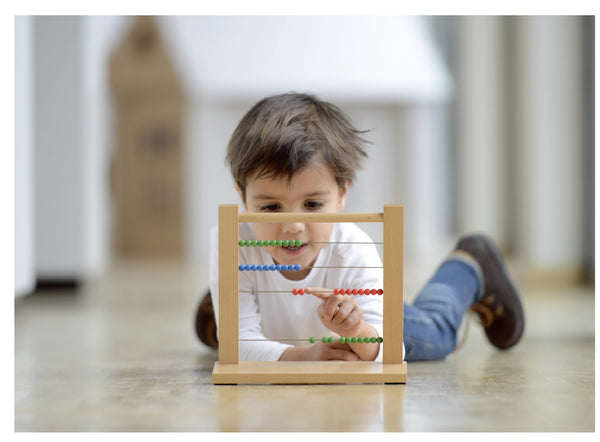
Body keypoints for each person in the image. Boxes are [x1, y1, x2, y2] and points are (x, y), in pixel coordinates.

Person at [195, 92, 524, 362]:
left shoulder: (353, 247)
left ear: (342, 195)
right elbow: (237, 347)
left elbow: (386, 351)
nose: (293, 226)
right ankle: (233, 303)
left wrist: (356, 331)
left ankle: (468, 264)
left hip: (362, 320)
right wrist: (306, 357)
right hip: (298, 330)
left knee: (436, 331)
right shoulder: (230, 240)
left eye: (312, 205)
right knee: (236, 332)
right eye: (270, 208)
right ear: (242, 197)